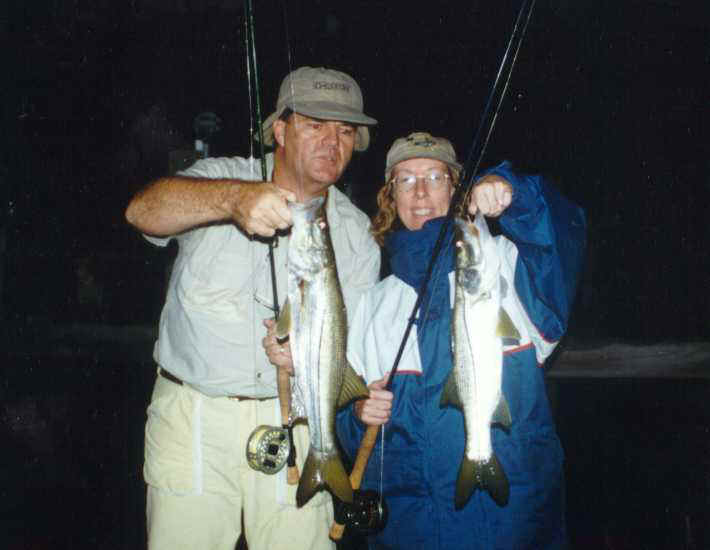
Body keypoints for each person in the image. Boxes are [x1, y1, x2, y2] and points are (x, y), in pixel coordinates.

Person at [125, 66, 380, 550]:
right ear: (279, 131)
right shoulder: (219, 178)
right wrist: (234, 200)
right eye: (316, 125)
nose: (333, 142)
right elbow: (142, 211)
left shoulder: (358, 235)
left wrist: (305, 363)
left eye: (346, 131)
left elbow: (352, 350)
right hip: (195, 418)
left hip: (300, 423)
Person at [336, 132, 586, 549]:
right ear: (389, 197)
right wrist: (358, 413)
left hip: (513, 524)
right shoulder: (373, 305)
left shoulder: (508, 264)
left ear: (456, 189)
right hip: (411, 530)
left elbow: (561, 233)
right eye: (405, 180)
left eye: (435, 177)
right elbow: (347, 419)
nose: (420, 192)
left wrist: (515, 193)